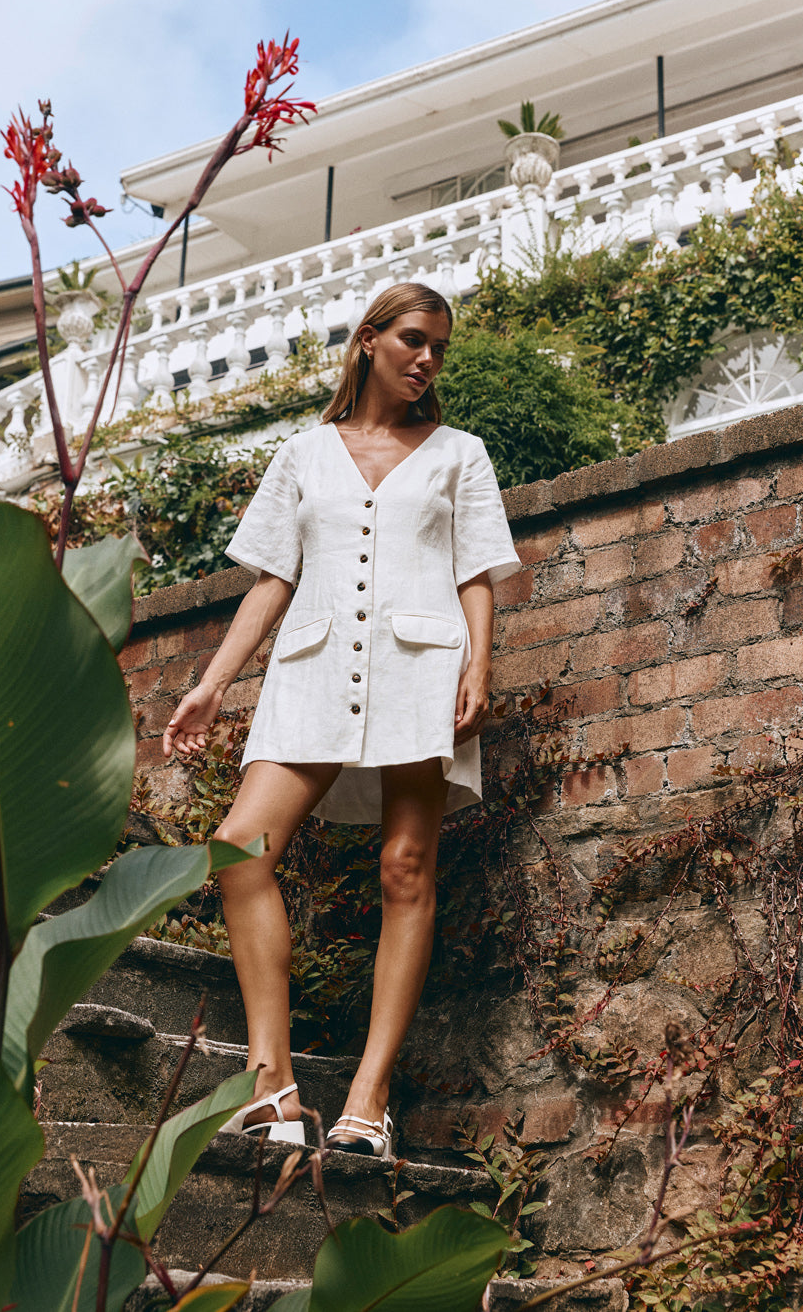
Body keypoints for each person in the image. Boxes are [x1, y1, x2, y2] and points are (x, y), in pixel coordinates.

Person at [162, 281, 520, 1159]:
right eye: (412, 339)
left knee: (406, 867)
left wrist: (479, 664)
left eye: (438, 347)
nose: (427, 359)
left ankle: (369, 1098)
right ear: (368, 340)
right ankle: (271, 1085)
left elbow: (476, 571)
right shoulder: (302, 454)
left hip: (421, 668)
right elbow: (272, 580)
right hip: (311, 670)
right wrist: (212, 685)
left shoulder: (461, 454)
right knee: (240, 848)